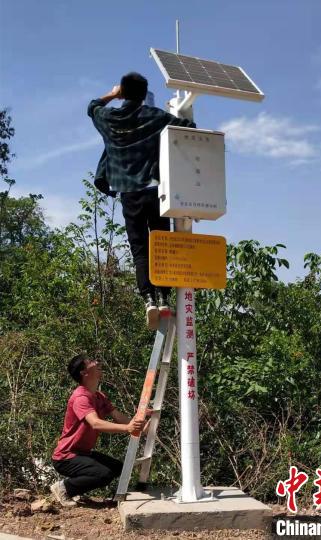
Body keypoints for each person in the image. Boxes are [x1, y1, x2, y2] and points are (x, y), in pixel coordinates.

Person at [88, 72, 195, 330]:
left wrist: (111, 95)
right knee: (161, 243)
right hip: (153, 190)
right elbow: (187, 128)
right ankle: (165, 297)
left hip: (129, 193)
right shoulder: (154, 117)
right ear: (144, 93)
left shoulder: (110, 118)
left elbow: (92, 107)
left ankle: (148, 299)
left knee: (140, 249)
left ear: (122, 93)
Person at [51, 354, 147, 507]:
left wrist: (139, 424)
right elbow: (95, 423)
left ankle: (86, 494)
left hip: (82, 453)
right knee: (103, 474)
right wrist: (128, 429)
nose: (97, 363)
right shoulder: (80, 398)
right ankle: (64, 488)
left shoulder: (99, 396)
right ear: (84, 373)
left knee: (117, 468)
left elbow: (117, 416)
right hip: (66, 457)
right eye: (91, 362)